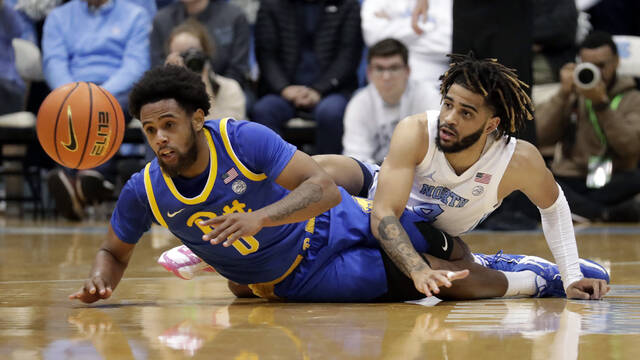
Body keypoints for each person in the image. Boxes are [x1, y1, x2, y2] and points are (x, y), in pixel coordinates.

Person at [69, 65, 488, 304]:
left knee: (441, 243)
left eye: (169, 125)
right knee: (439, 277)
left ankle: (499, 264)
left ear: (197, 119)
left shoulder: (241, 139)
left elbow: (322, 189)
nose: (159, 138)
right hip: (298, 276)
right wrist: (99, 279)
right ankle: (530, 281)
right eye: (150, 129)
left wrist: (260, 219)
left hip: (330, 217)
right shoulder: (143, 190)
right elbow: (112, 250)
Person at [312, 53, 610, 299]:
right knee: (318, 168)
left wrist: (571, 275)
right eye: (448, 105)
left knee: (447, 282)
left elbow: (554, 207)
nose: (450, 119)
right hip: (381, 203)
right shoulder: (416, 131)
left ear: (491, 125)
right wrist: (415, 267)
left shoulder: (517, 160)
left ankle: (533, 278)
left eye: (466, 113)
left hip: (438, 240)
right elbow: (384, 213)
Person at [42, 0, 152, 221]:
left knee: (102, 108)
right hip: (70, 90)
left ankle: (77, 180)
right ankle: (88, 182)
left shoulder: (136, 15)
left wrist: (97, 95)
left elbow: (135, 64)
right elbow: (54, 62)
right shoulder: (58, 17)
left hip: (117, 90)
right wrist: (73, 94)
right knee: (57, 109)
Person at [535, 31, 640, 222]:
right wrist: (563, 95)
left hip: (614, 179)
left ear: (616, 62)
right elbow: (539, 136)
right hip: (571, 178)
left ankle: (577, 211)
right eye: (589, 66)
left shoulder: (633, 98)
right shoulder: (572, 94)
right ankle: (603, 213)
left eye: (602, 65)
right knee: (534, 181)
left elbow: (629, 147)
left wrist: (602, 105)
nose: (597, 72)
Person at [250, 0, 363, 155]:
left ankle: (327, 174)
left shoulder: (347, 4)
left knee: (331, 113)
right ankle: (278, 174)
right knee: (263, 110)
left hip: (331, 90)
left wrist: (319, 89)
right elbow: (265, 54)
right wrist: (283, 88)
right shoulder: (271, 4)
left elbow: (348, 56)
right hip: (284, 91)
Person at [342, 38, 435, 164]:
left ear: (407, 71)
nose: (386, 77)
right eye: (380, 69)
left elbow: (437, 152)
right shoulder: (359, 104)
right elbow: (356, 159)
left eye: (394, 68)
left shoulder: (427, 96)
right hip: (374, 177)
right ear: (369, 73)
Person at [361, 0, 451, 111]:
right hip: (382, 88)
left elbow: (447, 43)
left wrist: (392, 22)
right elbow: (373, 36)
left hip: (431, 86)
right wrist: (428, 24)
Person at [150, 0, 250, 88]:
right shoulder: (162, 20)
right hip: (175, 91)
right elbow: (158, 70)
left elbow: (238, 69)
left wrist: (215, 87)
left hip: (224, 89)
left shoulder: (235, 16)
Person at [165, 18, 246, 120]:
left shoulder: (230, 88)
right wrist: (168, 86)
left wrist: (204, 86)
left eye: (192, 53)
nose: (187, 61)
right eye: (181, 56)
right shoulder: (160, 97)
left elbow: (223, 132)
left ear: (206, 53)